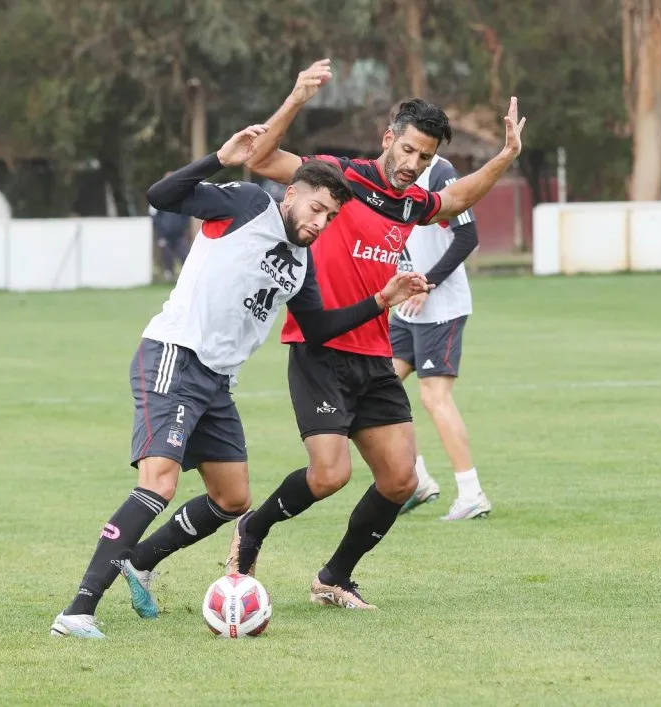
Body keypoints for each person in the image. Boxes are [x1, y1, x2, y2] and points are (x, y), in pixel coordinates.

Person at [50, 123, 431, 638]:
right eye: (316, 209)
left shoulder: (299, 264)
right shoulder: (249, 204)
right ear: (291, 195)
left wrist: (381, 301)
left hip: (217, 382)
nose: (322, 223)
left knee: (232, 499)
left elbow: (318, 327)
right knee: (159, 482)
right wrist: (217, 158)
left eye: (332, 216)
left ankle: (140, 561)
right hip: (175, 354)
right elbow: (162, 195)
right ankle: (77, 611)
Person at [225, 60, 525, 609]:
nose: (414, 164)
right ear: (389, 138)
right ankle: (254, 527)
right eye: (408, 150)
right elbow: (262, 158)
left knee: (399, 479)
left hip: (375, 355)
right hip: (320, 349)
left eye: (426, 157)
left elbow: (456, 200)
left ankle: (335, 577)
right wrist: (296, 97)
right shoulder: (342, 178)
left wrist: (505, 156)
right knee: (329, 475)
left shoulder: (413, 203)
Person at [391, 141, 491, 521]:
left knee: (435, 397)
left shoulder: (440, 174)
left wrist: (427, 283)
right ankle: (415, 479)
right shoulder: (390, 176)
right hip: (408, 308)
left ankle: (471, 493)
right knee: (376, 386)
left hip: (440, 308)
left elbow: (468, 237)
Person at [148, 173, 192, 280]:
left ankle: (187, 277)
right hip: (164, 235)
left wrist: (183, 227)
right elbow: (153, 216)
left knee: (185, 256)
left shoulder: (181, 196)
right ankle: (169, 276)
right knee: (167, 257)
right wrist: (160, 233)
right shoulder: (158, 196)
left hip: (179, 234)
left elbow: (186, 214)